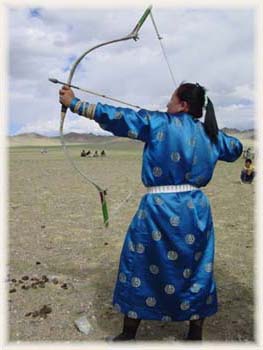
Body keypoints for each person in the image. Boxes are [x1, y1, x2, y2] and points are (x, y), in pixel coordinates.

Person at [59, 82, 243, 341]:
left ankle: (128, 335)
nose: (166, 105)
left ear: (183, 105)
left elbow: (119, 117)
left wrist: (74, 104)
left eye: (171, 100)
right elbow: (235, 149)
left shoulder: (159, 122)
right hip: (196, 212)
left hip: (158, 211)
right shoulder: (212, 135)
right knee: (196, 268)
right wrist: (210, 131)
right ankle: (195, 335)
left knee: (140, 263)